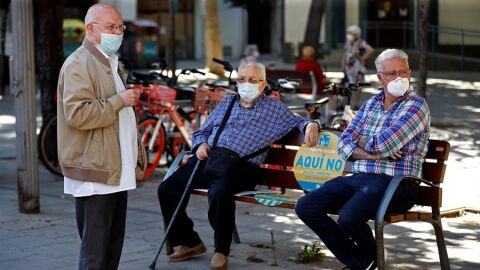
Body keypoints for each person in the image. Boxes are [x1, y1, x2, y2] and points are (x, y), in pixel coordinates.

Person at [157, 62, 321, 270]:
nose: (246, 84)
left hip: (242, 167)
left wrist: (312, 125)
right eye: (242, 79)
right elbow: (201, 132)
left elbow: (299, 122)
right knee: (167, 188)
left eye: (252, 80)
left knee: (219, 192)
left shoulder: (274, 109)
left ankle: (221, 250)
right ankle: (190, 241)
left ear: (262, 85)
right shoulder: (228, 103)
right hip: (212, 158)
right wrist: (200, 145)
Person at [295, 49, 430, 270]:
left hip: (396, 183)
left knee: (348, 218)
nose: (398, 78)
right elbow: (344, 143)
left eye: (403, 72)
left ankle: (365, 263)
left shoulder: (416, 105)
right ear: (380, 78)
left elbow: (385, 144)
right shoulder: (370, 105)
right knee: (307, 206)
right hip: (361, 178)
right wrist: (371, 150)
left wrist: (363, 141)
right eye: (391, 73)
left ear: (410, 73)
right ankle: (361, 260)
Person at [57, 4, 146, 270]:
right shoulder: (78, 64)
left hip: (114, 171)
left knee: (111, 249)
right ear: (91, 29)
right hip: (95, 173)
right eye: (111, 27)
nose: (117, 32)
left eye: (120, 27)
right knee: (95, 254)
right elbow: (77, 114)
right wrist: (119, 101)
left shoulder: (108, 62)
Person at [341, 24, 374, 110]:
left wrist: (362, 58)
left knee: (359, 84)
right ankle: (344, 104)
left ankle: (356, 103)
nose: (349, 35)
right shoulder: (348, 42)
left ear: (356, 34)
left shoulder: (360, 42)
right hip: (348, 67)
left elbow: (370, 50)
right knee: (347, 84)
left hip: (358, 67)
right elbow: (345, 53)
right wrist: (343, 64)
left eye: (351, 33)